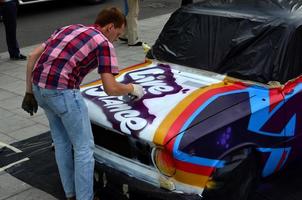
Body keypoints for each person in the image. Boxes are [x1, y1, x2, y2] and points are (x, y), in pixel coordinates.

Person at [21, 7, 144, 200]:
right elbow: (110, 88)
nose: (115, 39)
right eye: (118, 34)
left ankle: (70, 193)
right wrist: (131, 89)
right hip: (63, 92)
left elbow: (31, 56)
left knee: (61, 142)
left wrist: (28, 92)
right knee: (84, 149)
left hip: (38, 88)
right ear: (110, 27)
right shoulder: (103, 43)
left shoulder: (69, 28)